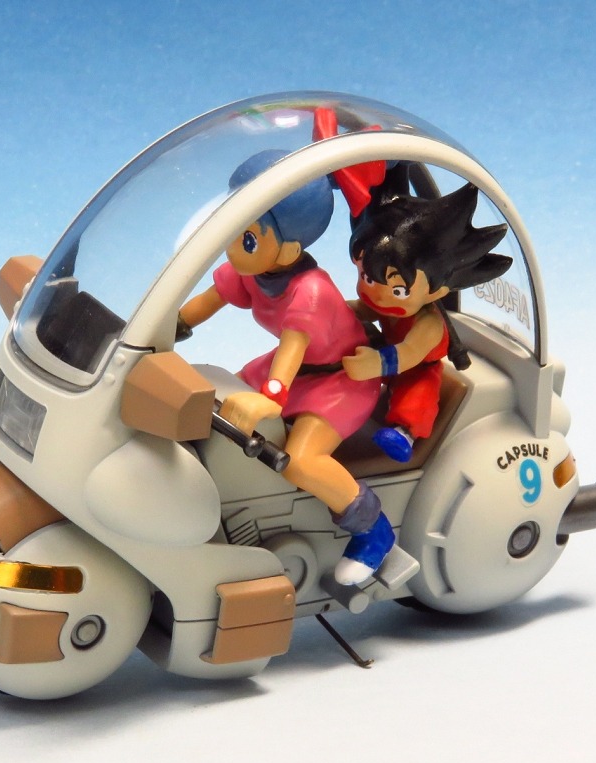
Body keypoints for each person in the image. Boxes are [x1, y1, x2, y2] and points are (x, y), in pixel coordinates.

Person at [178, 150, 392, 586]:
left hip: (341, 379)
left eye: (248, 238)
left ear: (289, 248)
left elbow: (292, 349)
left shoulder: (310, 292)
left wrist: (270, 399)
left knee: (301, 461)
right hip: (296, 369)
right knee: (219, 406)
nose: (233, 244)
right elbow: (203, 304)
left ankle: (373, 529)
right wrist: (162, 329)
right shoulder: (254, 268)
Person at [342, 169, 513, 461]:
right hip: (386, 357)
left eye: (398, 289)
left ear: (437, 291)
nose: (377, 294)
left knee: (415, 398)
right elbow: (362, 310)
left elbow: (409, 352)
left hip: (416, 368)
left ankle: (404, 434)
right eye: (366, 277)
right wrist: (336, 311)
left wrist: (376, 363)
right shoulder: (383, 305)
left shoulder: (428, 324)